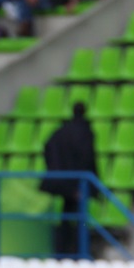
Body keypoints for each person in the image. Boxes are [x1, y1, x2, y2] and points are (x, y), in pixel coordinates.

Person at [40, 102, 99, 257]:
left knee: (67, 215)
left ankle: (64, 250)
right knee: (81, 217)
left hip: (65, 182)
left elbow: (48, 147)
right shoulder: (84, 132)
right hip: (78, 183)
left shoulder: (61, 131)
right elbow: (87, 158)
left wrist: (54, 172)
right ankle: (79, 250)